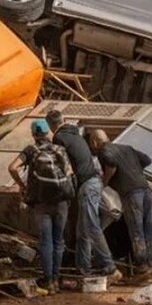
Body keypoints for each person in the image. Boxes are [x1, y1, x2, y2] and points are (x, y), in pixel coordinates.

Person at [47, 110, 120, 282]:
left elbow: (62, 165)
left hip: (87, 185)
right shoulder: (77, 135)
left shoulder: (59, 139)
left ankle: (110, 268)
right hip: (92, 182)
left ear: (51, 126)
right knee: (83, 231)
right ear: (63, 120)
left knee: (92, 227)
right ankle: (83, 270)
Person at [8, 119, 74, 293]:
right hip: (61, 202)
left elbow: (12, 168)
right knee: (58, 241)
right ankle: (57, 279)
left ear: (33, 134)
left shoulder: (31, 150)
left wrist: (22, 186)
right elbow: (69, 172)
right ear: (47, 133)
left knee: (46, 241)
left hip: (41, 203)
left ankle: (49, 281)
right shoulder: (59, 149)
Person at [92, 128, 152, 279]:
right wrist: (134, 171)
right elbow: (147, 160)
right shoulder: (126, 148)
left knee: (136, 231)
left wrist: (105, 181)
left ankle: (142, 268)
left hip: (131, 194)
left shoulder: (104, 150)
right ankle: (150, 266)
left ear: (94, 142)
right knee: (148, 230)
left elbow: (111, 163)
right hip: (146, 190)